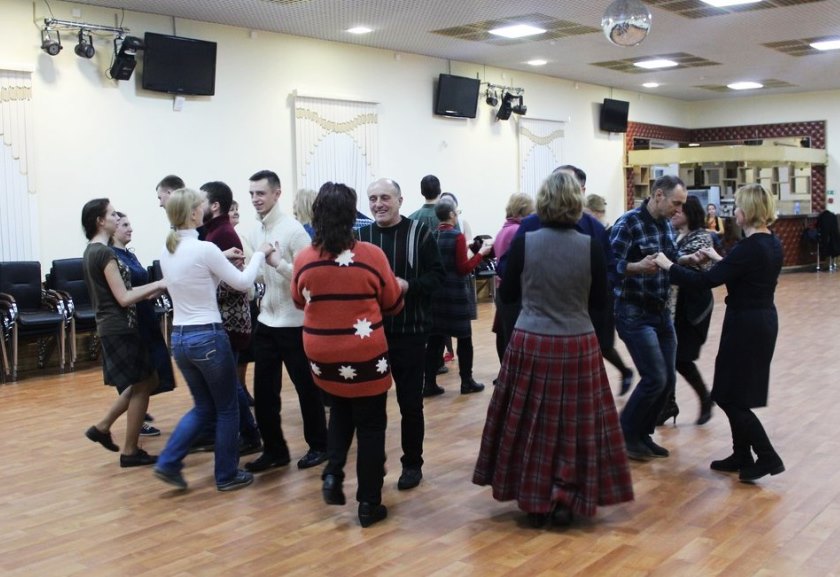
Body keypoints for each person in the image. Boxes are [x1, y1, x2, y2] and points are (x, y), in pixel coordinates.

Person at [473, 171, 633, 528]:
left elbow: (508, 293)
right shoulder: (590, 245)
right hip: (577, 342)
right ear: (577, 203)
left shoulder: (526, 241)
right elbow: (600, 301)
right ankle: (567, 496)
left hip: (532, 339)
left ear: (542, 202)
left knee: (532, 422)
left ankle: (535, 497)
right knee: (572, 426)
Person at [654, 184, 784, 482]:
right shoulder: (770, 243)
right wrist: (718, 257)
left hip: (746, 325)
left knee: (728, 395)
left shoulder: (749, 248)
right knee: (734, 391)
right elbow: (742, 273)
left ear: (747, 211)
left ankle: (767, 456)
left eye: (737, 206)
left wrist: (668, 265)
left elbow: (705, 282)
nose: (734, 211)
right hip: (758, 321)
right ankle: (741, 454)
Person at [292, 182, 404, 528]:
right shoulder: (371, 255)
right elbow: (392, 303)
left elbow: (298, 300)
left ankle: (333, 472)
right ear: (352, 215)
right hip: (364, 353)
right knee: (371, 424)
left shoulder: (304, 257)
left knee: (339, 409)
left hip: (321, 354)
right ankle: (369, 503)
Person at [153, 188, 274, 492]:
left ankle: (168, 461)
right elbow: (243, 283)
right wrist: (260, 253)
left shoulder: (168, 251)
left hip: (180, 340)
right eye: (201, 206)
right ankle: (227, 475)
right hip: (208, 336)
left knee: (204, 407)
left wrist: (222, 258)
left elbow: (199, 280)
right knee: (227, 408)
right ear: (194, 213)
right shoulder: (204, 248)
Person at [357, 178, 445, 491]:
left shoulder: (420, 233)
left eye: (384, 198)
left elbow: (438, 277)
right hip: (370, 337)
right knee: (371, 407)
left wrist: (409, 285)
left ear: (399, 200)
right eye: (373, 199)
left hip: (410, 332)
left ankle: (412, 464)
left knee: (410, 403)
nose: (378, 204)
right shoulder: (360, 238)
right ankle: (373, 465)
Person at [246, 170, 329, 472]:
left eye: (261, 193)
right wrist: (244, 265)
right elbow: (259, 276)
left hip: (295, 324)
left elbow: (310, 277)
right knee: (265, 394)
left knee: (307, 389)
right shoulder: (256, 231)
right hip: (267, 321)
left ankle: (320, 446)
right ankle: (275, 450)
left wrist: (278, 263)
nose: (255, 199)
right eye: (252, 194)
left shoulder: (294, 231)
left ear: (276, 194)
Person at [81, 199, 166, 468]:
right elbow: (124, 297)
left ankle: (103, 427)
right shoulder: (105, 254)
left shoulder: (91, 250)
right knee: (144, 383)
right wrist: (160, 282)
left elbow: (124, 293)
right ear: (100, 221)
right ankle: (129, 451)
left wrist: (156, 288)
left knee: (146, 381)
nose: (116, 218)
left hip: (113, 327)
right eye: (111, 214)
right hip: (120, 327)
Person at [609, 174, 686, 461]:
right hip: (634, 312)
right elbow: (608, 264)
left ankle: (642, 435)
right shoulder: (628, 223)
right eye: (676, 203)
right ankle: (625, 435)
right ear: (658, 195)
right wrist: (636, 266)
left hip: (661, 312)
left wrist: (688, 260)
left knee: (666, 381)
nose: (678, 210)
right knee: (655, 377)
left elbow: (671, 257)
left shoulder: (665, 223)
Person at [200, 181, 263, 455]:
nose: (196, 206)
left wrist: (202, 284)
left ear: (214, 206)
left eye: (201, 201)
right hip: (223, 318)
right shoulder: (214, 232)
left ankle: (249, 434)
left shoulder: (223, 234)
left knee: (229, 383)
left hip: (229, 320)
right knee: (227, 383)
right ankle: (243, 432)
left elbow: (234, 283)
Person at [110, 212, 176, 438]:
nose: (130, 228)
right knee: (139, 377)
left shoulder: (129, 255)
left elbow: (143, 288)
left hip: (146, 316)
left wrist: (162, 286)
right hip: (132, 320)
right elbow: (125, 293)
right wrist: (158, 285)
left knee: (154, 370)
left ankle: (137, 412)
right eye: (125, 225)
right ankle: (119, 422)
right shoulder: (112, 258)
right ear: (113, 229)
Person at [424, 200, 493, 396]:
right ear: (451, 215)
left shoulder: (431, 235)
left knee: (435, 341)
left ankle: (429, 384)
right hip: (455, 295)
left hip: (436, 296)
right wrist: (480, 254)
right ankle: (466, 382)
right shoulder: (457, 236)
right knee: (464, 340)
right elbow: (463, 269)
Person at [657, 195, 714, 426]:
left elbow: (691, 272)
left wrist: (670, 264)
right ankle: (668, 404)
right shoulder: (672, 235)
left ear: (690, 213)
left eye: (679, 210)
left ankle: (705, 398)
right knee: (668, 357)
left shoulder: (701, 237)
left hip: (692, 307)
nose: (674, 213)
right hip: (672, 305)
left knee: (681, 358)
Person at [583, 192, 634, 396]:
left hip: (605, 294)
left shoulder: (609, 233)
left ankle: (624, 372)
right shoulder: (596, 231)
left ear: (595, 212)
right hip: (593, 294)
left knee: (603, 345)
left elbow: (613, 267)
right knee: (594, 344)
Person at [491, 193, 534, 363]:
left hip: (501, 289)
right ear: (523, 210)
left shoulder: (503, 230)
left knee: (504, 332)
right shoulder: (517, 231)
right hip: (514, 291)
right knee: (515, 338)